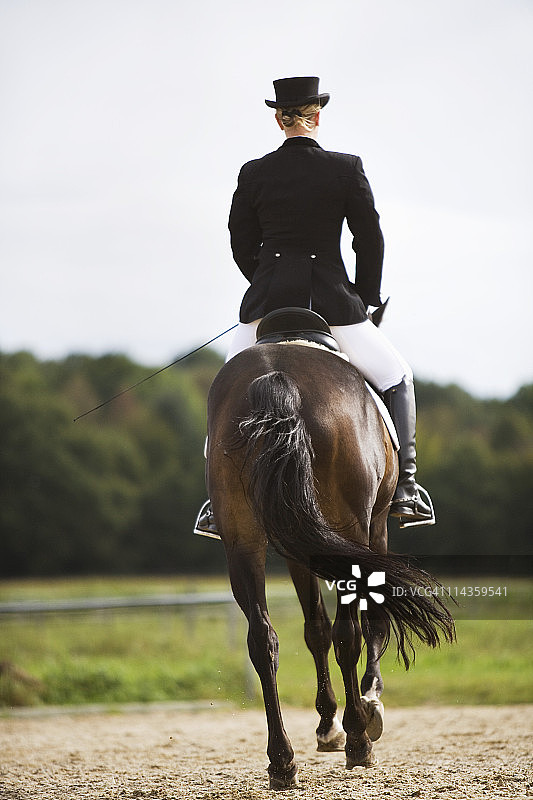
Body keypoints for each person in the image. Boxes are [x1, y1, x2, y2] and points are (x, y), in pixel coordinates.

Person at [195, 76, 433, 535]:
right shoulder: (345, 167)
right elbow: (370, 239)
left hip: (266, 304)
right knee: (396, 374)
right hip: (333, 303)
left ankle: (213, 500)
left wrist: (266, 282)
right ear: (316, 115)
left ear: (278, 119)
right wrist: (364, 296)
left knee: (225, 389)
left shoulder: (254, 172)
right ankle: (405, 487)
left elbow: (240, 241)